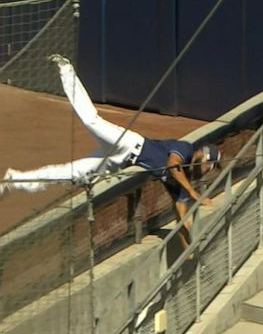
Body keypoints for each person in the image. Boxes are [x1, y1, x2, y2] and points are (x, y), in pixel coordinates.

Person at [0, 55, 221, 244]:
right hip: (127, 143)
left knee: (71, 172)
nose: (209, 169)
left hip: (118, 162)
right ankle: (66, 69)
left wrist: (189, 247)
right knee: (92, 120)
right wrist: (195, 194)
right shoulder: (185, 150)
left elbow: (182, 215)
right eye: (210, 164)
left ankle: (14, 180)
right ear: (204, 156)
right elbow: (173, 165)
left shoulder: (181, 183)